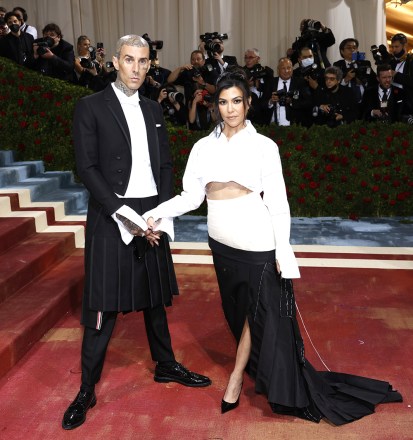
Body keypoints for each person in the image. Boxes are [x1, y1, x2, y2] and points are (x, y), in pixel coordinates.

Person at [142, 68, 402, 424]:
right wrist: (155, 214)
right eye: (223, 102)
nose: (230, 109)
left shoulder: (265, 146)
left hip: (256, 238)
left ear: (248, 103)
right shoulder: (202, 147)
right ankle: (253, 367)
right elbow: (190, 197)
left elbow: (278, 203)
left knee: (257, 311)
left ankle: (236, 377)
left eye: (237, 101)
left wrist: (283, 250)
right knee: (236, 311)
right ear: (215, 105)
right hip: (219, 240)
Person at [62, 34, 211, 431]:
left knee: (155, 294)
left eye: (144, 61)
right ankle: (87, 388)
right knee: (102, 304)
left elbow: (164, 165)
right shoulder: (89, 106)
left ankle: (165, 364)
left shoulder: (152, 108)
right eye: (129, 60)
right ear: (115, 61)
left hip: (153, 211)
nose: (137, 68)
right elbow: (87, 169)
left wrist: (160, 213)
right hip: (113, 212)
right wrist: (124, 214)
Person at [265, 57, 313, 127]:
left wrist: (291, 102)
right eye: (283, 68)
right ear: (278, 70)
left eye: (289, 68)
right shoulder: (271, 82)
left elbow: (308, 102)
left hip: (294, 126)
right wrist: (270, 101)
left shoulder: (300, 82)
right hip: (273, 126)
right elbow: (262, 103)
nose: (286, 71)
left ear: (292, 69)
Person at [333, 38, 376, 106]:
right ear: (342, 51)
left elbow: (374, 80)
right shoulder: (337, 65)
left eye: (354, 47)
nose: (352, 50)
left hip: (365, 102)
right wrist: (345, 80)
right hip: (346, 103)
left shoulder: (365, 63)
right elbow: (334, 86)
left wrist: (364, 81)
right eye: (349, 48)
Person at [242, 48, 274, 125]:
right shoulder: (241, 72)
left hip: (264, 111)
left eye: (250, 57)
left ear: (258, 59)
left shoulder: (266, 72)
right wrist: (246, 85)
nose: (247, 60)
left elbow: (270, 88)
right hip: (246, 111)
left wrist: (257, 84)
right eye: (246, 57)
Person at [389, 33, 413, 116]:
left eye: (396, 46)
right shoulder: (391, 61)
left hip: (408, 103)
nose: (394, 50)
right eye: (392, 47)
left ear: (404, 45)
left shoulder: (411, 61)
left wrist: (396, 75)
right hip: (392, 101)